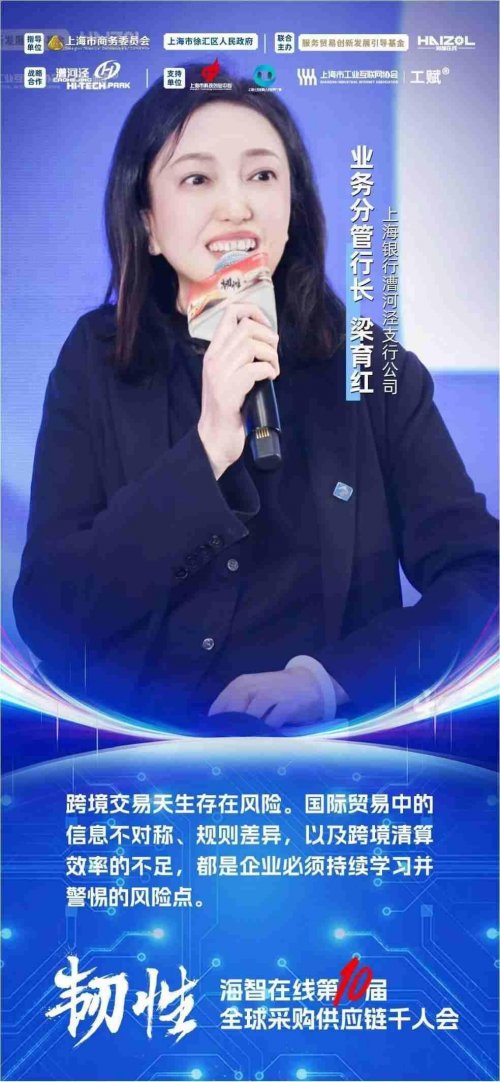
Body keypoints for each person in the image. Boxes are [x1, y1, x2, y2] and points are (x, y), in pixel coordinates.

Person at [13, 65, 498, 733]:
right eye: (198, 179)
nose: (236, 206)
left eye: (262, 175)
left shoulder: (370, 368)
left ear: (293, 207)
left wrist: (330, 682)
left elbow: (481, 577)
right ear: (149, 224)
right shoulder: (97, 362)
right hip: (135, 758)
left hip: (333, 761)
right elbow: (49, 612)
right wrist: (208, 449)